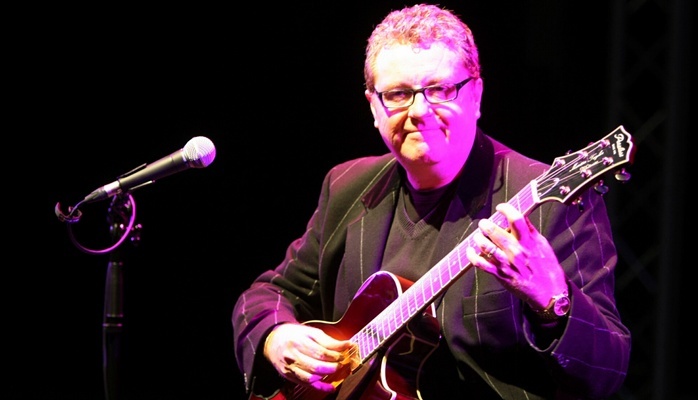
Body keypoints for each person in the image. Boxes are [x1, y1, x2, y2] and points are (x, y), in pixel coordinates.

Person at [232, 4, 631, 399]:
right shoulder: (348, 187)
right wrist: (276, 337)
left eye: (440, 89)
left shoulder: (545, 201)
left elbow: (608, 369)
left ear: (476, 95)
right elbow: (268, 294)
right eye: (399, 94)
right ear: (374, 105)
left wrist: (552, 301)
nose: (419, 111)